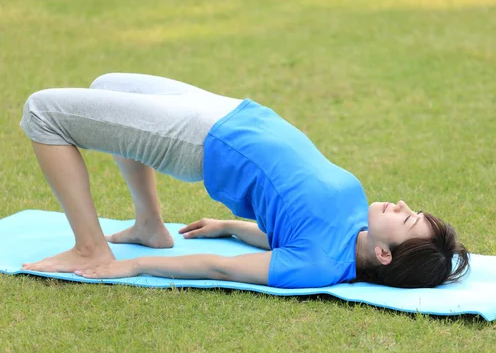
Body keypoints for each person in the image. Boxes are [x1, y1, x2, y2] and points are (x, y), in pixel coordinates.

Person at [19, 73, 469, 289]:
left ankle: (89, 247)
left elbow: (221, 268)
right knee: (106, 85)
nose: (404, 205)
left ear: (384, 255)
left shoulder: (318, 268)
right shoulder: (357, 228)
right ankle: (149, 226)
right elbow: (291, 231)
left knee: (42, 111)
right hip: (233, 113)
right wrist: (231, 226)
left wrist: (134, 266)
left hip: (200, 140)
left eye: (409, 220)